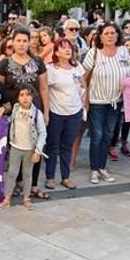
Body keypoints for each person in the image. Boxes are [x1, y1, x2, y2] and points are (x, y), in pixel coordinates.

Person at [82, 22, 130, 184]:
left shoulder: (124, 52)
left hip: (116, 101)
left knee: (109, 135)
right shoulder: (94, 53)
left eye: (113, 33)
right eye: (106, 33)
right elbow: (83, 75)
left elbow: (129, 74)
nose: (110, 36)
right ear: (101, 36)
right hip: (97, 101)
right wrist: (85, 96)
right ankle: (94, 169)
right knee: (97, 135)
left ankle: (102, 167)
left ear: (118, 35)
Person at [0, 84, 47, 212]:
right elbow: (10, 121)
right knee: (12, 173)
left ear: (32, 96)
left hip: (29, 149)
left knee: (27, 174)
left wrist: (38, 151)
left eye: (28, 95)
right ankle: (7, 198)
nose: (25, 98)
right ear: (17, 98)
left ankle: (26, 198)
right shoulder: (16, 109)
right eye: (22, 95)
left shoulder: (36, 114)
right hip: (16, 147)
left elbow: (42, 132)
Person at [44, 38, 83, 190]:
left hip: (74, 112)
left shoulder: (77, 67)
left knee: (67, 145)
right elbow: (45, 90)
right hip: (56, 112)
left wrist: (83, 104)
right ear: (56, 51)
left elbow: (83, 85)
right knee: (52, 146)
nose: (67, 50)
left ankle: (65, 177)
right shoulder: (51, 69)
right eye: (63, 48)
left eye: (69, 48)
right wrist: (46, 111)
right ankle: (50, 177)